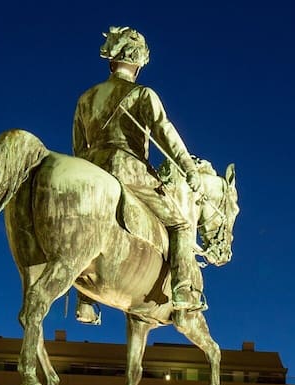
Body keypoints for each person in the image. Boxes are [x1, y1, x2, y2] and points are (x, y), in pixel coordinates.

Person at [70, 26, 206, 325]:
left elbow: (79, 148)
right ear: (138, 61)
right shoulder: (142, 94)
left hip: (90, 169)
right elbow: (164, 132)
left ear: (111, 59)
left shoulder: (85, 98)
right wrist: (189, 168)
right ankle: (183, 291)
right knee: (181, 224)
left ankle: (85, 299)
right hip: (128, 168)